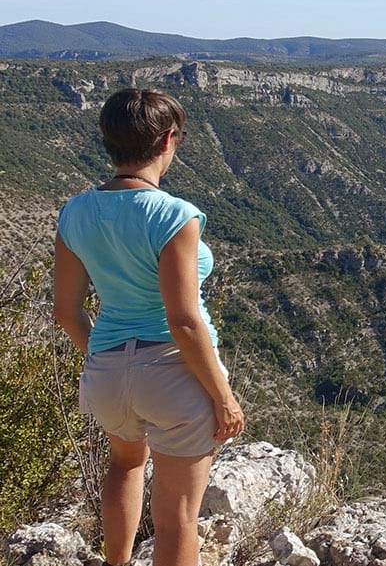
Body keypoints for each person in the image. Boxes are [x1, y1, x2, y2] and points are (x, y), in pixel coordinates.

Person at [53, 88, 245, 566]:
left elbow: (65, 310)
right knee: (177, 519)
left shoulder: (74, 212)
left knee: (125, 464)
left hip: (107, 372)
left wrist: (104, 357)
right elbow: (183, 319)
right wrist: (223, 396)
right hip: (173, 373)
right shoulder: (174, 215)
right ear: (166, 141)